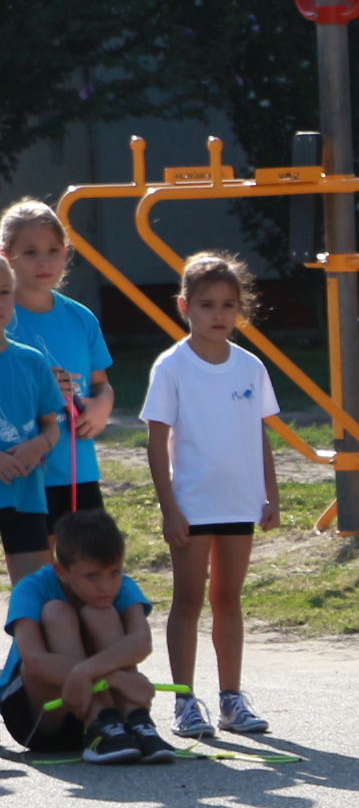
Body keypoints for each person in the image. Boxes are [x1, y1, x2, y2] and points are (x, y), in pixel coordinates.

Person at [139, 251, 282, 739]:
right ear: (184, 306)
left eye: (228, 305)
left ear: (240, 309)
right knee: (188, 600)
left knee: (228, 599)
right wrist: (170, 509)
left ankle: (231, 700)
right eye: (206, 305)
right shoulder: (172, 367)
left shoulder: (250, 367)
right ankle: (184, 703)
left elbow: (259, 434)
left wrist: (270, 495)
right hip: (192, 505)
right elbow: (156, 441)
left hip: (239, 501)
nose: (218, 314)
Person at [2, 507, 165, 764]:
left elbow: (141, 642)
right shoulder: (31, 588)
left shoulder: (122, 585)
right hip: (40, 720)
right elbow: (34, 660)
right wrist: (112, 677)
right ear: (62, 571)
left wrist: (86, 671)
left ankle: (136, 720)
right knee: (56, 611)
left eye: (114, 572)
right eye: (92, 576)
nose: (106, 586)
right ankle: (98, 721)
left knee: (102, 614)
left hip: (114, 719)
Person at [4, 201, 118, 514]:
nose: (44, 261)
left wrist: (102, 406)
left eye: (53, 250)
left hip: (78, 471)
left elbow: (101, 384)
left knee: (86, 546)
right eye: (30, 252)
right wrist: (41, 388)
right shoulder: (4, 320)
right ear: (6, 257)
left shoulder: (81, 318)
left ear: (66, 253)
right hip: (20, 470)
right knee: (36, 549)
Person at [0, 250, 65, 582]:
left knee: (35, 594)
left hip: (26, 495)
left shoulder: (32, 361)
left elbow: (51, 427)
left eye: (3, 292)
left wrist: (39, 444)